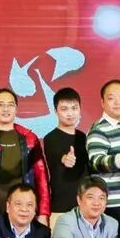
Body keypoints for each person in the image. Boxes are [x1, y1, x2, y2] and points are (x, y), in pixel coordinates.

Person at [0, 87, 51, 226]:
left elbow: (41, 178)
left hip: (24, 213)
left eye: (10, 105)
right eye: (0, 104)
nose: (6, 109)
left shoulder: (30, 139)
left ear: (16, 109)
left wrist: (43, 213)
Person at [86, 79, 120, 225]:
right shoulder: (98, 130)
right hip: (115, 204)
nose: (118, 102)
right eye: (111, 98)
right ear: (103, 103)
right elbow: (96, 162)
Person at [42, 87, 87, 230]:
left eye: (74, 108)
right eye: (64, 109)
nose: (70, 113)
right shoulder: (50, 138)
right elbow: (57, 155)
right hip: (61, 207)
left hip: (85, 207)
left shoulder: (83, 137)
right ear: (56, 111)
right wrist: (65, 159)